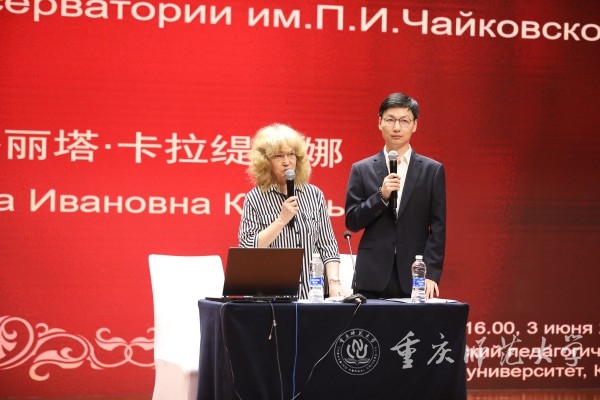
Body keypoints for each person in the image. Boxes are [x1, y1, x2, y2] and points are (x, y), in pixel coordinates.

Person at [344, 92, 446, 299]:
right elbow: (352, 221)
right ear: (379, 122)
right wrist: (381, 196)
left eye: (404, 121)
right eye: (390, 120)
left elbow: (438, 227)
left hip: (415, 274)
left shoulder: (432, 170)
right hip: (371, 274)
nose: (397, 127)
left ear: (415, 125)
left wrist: (431, 273)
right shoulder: (362, 169)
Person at [238, 123, 343, 300]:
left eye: (291, 154)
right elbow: (248, 248)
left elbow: (328, 246)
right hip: (270, 297)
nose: (287, 162)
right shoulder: (255, 198)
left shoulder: (314, 194)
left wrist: (334, 283)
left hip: (312, 294)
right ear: (265, 162)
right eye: (278, 156)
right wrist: (281, 221)